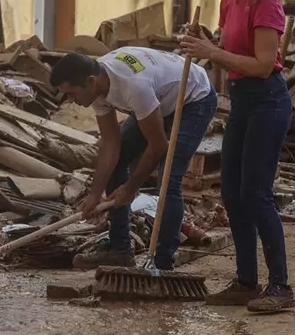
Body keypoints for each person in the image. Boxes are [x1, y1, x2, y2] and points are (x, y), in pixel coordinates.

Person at [181, 0, 295, 313]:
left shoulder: (268, 3)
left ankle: (280, 286)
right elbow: (229, 47)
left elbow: (263, 65)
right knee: (231, 193)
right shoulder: (229, 1)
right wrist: (205, 39)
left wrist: (212, 50)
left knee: (256, 194)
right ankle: (246, 281)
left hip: (268, 100)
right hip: (241, 102)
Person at [49, 47, 217, 270]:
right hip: (160, 98)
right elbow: (111, 145)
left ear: (90, 81)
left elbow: (157, 146)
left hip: (193, 99)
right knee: (117, 161)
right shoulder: (97, 88)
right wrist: (95, 194)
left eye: (71, 94)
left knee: (168, 178)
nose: (70, 101)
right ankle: (120, 249)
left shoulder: (132, 85)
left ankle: (162, 262)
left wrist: (130, 188)